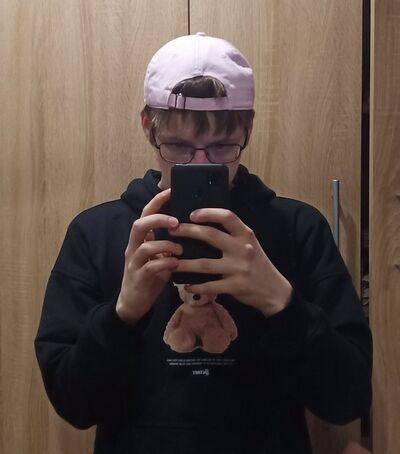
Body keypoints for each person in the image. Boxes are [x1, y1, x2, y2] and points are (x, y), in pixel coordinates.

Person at [35, 32, 372, 454]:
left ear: (247, 130)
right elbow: (74, 405)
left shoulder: (298, 228)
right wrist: (123, 314)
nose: (198, 163)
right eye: (178, 147)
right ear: (148, 127)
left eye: (221, 148)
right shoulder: (96, 232)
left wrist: (281, 302)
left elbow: (347, 399)